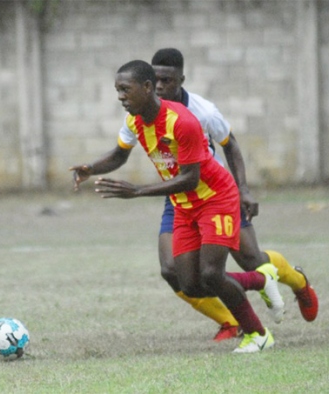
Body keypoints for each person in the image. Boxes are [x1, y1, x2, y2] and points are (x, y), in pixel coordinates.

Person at [70, 59, 278, 353]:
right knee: (189, 283)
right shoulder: (134, 120)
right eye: (117, 90)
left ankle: (258, 335)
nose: (120, 97)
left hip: (215, 198)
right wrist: (91, 167)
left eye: (125, 89)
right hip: (184, 205)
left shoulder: (182, 121)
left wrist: (138, 191)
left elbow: (191, 178)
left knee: (211, 274)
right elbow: (119, 154)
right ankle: (261, 278)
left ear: (146, 87)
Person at [150, 48, 319, 340]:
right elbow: (122, 147)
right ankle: (231, 320)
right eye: (155, 80)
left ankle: (298, 281)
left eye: (167, 80)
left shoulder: (202, 111)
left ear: (182, 79)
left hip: (216, 193)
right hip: (180, 195)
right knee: (171, 269)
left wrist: (243, 189)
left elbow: (231, 144)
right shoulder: (141, 108)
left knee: (251, 258)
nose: (160, 87)